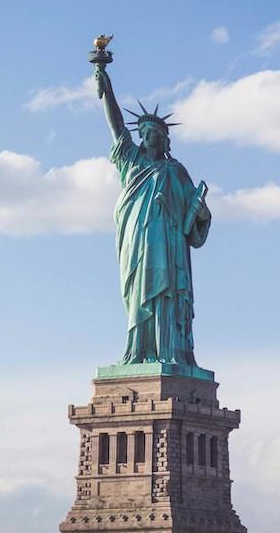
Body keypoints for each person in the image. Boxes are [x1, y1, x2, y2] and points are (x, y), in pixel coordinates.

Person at [94, 64, 211, 366]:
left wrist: (199, 213)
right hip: (137, 241)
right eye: (143, 134)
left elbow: (194, 220)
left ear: (163, 139)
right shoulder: (131, 161)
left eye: (152, 134)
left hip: (168, 245)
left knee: (168, 294)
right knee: (137, 295)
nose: (146, 138)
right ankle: (138, 352)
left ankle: (170, 353)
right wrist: (106, 86)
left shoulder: (176, 171)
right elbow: (116, 125)